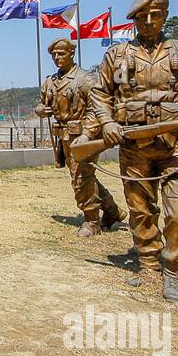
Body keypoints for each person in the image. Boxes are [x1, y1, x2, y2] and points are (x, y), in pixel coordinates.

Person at [88, 0, 178, 302]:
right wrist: (107, 123)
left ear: (165, 16)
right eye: (142, 17)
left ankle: (175, 270)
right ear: (133, 21)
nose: (149, 22)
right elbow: (101, 93)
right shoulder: (117, 55)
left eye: (156, 15)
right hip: (134, 146)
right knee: (140, 210)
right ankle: (149, 265)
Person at [35, 37, 122, 236]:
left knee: (81, 177)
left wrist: (87, 134)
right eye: (54, 55)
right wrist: (41, 109)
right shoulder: (51, 81)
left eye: (61, 53)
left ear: (71, 53)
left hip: (84, 136)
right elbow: (41, 103)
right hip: (64, 137)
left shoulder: (86, 79)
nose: (57, 57)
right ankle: (112, 210)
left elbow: (98, 108)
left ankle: (92, 221)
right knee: (83, 176)